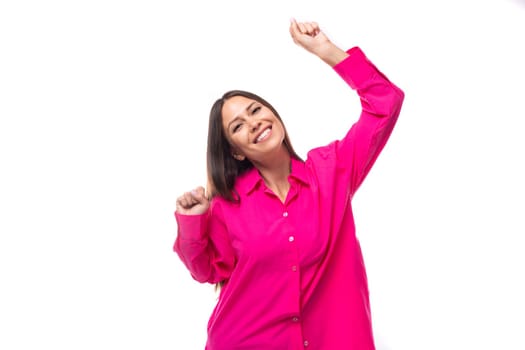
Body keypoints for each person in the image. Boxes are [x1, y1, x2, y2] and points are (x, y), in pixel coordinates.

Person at [174, 18, 404, 350]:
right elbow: (207, 270)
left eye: (256, 110)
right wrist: (194, 222)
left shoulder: (332, 171)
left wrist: (327, 51)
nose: (254, 124)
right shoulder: (226, 206)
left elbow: (386, 104)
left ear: (274, 114)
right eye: (238, 127)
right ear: (236, 152)